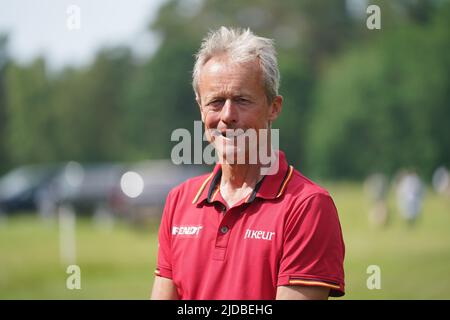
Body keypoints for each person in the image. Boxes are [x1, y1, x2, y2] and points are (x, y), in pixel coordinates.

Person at [151, 27, 345, 300]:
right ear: (200, 108)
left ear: (273, 107)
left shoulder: (308, 206)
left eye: (242, 100)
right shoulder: (179, 202)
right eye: (216, 102)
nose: (228, 116)